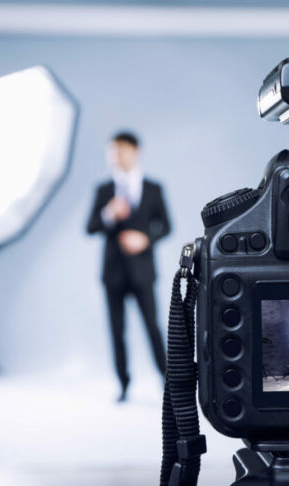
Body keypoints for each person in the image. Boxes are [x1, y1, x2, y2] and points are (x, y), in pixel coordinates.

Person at [86, 131, 171, 402]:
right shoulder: (104, 190)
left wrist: (145, 239)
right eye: (111, 151)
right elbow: (90, 227)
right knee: (117, 331)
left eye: (120, 150)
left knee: (152, 326)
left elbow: (166, 226)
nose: (115, 156)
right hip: (113, 271)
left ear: (135, 151)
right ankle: (123, 384)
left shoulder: (153, 188)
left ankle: (167, 379)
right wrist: (108, 214)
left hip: (143, 270)